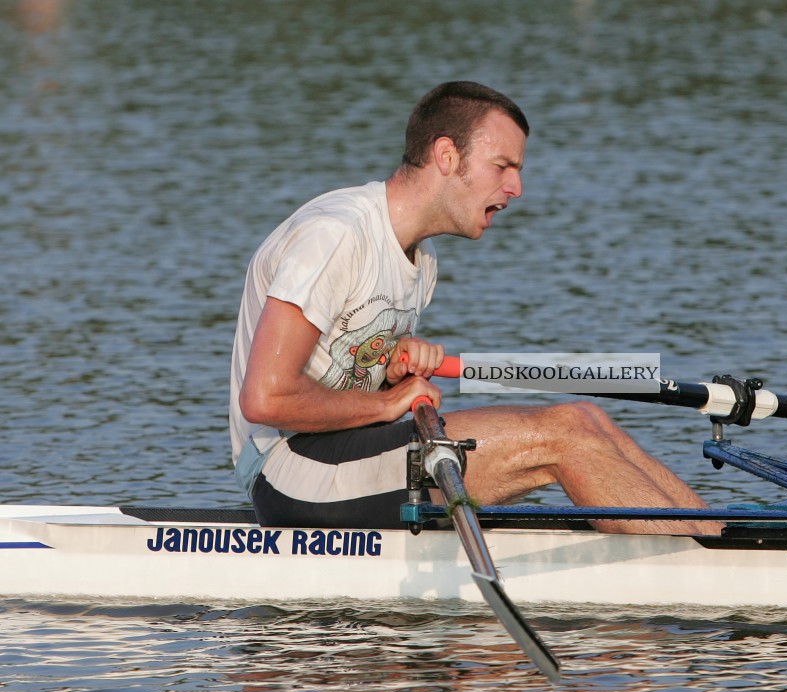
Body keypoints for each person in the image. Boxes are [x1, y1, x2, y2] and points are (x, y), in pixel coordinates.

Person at [230, 81, 720, 535]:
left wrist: (391, 369)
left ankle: (721, 543)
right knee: (563, 436)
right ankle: (709, 579)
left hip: (344, 450)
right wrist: (386, 401)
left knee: (586, 418)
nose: (516, 189)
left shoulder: (422, 261)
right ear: (447, 155)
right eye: (503, 167)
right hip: (290, 469)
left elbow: (345, 369)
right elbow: (266, 398)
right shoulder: (336, 234)